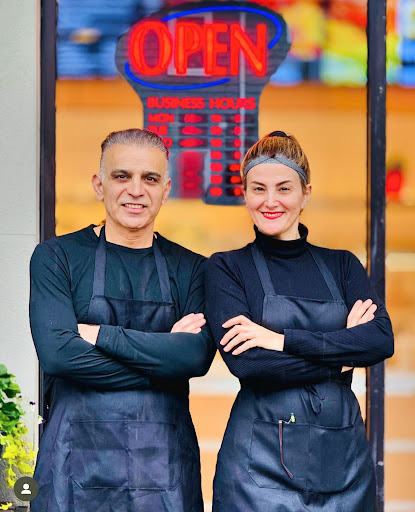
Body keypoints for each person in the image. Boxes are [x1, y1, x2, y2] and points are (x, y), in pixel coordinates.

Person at [205, 131, 394, 512]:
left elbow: (379, 340)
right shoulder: (227, 267)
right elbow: (249, 363)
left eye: (284, 188)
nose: (270, 201)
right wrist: (342, 354)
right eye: (258, 189)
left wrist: (282, 340)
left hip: (343, 463)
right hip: (255, 471)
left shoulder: (342, 265)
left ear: (305, 193)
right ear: (244, 194)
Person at [29, 128, 216, 512]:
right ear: (99, 185)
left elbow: (194, 358)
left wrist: (100, 335)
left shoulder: (193, 268)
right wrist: (164, 362)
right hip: (72, 467)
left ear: (166, 189)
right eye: (121, 176)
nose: (136, 190)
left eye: (150, 178)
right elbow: (59, 356)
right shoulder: (56, 257)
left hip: (164, 471)